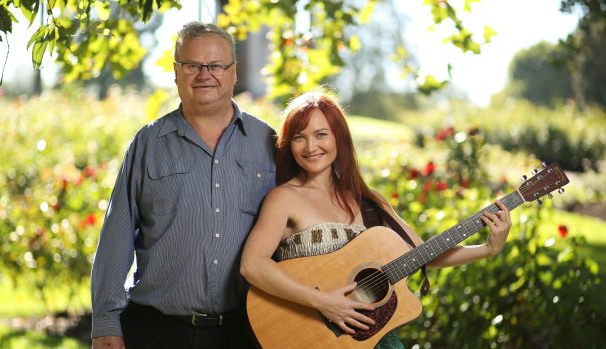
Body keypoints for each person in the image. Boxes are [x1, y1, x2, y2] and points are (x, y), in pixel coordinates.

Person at [240, 90, 511, 348]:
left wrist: (488, 248)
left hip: (373, 341)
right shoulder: (284, 198)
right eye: (299, 137)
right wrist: (323, 301)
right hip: (307, 337)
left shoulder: (370, 202)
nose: (311, 146)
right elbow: (252, 264)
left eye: (321, 134)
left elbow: (423, 255)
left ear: (339, 138)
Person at [90, 22, 276, 349]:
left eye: (216, 65)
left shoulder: (268, 142)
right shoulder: (148, 143)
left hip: (244, 331)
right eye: (192, 65)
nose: (205, 74)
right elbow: (116, 236)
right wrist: (105, 320)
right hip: (155, 331)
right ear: (176, 73)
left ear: (233, 72)